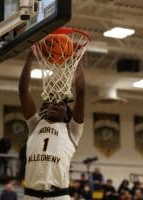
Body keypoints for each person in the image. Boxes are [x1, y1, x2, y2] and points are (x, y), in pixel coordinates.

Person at [19, 51, 85, 199]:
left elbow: (81, 93)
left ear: (67, 114)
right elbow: (23, 91)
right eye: (51, 103)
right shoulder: (35, 124)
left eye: (60, 105)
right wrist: (30, 57)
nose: (55, 104)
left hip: (58, 196)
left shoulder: (72, 130)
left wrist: (78, 59)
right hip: (30, 195)